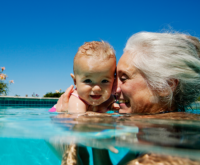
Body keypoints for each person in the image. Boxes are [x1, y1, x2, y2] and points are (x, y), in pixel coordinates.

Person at [55, 32, 200, 164]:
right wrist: (98, 135)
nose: (113, 89)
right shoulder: (153, 135)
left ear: (164, 86)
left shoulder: (173, 150)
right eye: (115, 77)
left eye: (124, 78)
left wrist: (69, 122)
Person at [49, 41, 117, 114]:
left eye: (104, 81)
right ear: (75, 81)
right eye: (88, 80)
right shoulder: (77, 100)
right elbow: (80, 121)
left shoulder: (107, 97)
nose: (97, 88)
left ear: (114, 80)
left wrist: (109, 106)